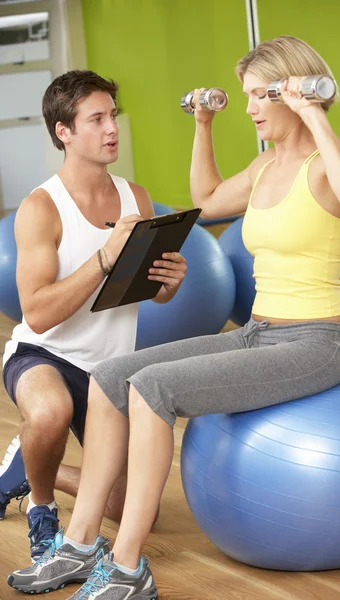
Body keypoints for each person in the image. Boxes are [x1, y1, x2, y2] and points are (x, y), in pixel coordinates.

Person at [8, 36, 340, 598]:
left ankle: (128, 567)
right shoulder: (265, 165)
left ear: (291, 92)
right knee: (113, 377)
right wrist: (203, 125)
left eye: (259, 95)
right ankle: (80, 546)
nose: (249, 108)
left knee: (151, 387)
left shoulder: (327, 164)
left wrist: (312, 111)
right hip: (258, 332)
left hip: (314, 342)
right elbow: (206, 195)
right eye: (247, 95)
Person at [0, 69, 187, 561]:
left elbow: (147, 294)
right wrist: (104, 256)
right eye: (96, 119)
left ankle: (29, 464)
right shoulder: (41, 207)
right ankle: (42, 508)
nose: (112, 129)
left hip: (109, 370)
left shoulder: (136, 198)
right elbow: (37, 315)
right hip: (44, 354)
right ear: (64, 131)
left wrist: (167, 283)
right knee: (50, 413)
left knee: (130, 508)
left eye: (113, 116)